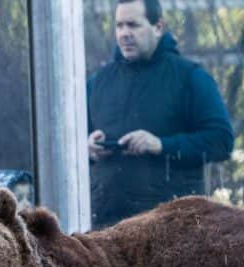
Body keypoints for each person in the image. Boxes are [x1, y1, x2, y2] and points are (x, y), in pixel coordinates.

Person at [86, 0, 234, 229]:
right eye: (119, 26)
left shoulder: (190, 77)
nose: (124, 34)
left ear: (158, 27)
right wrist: (89, 149)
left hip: (172, 230)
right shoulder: (98, 83)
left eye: (133, 25)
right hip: (107, 229)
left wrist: (160, 145)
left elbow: (221, 141)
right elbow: (71, 150)